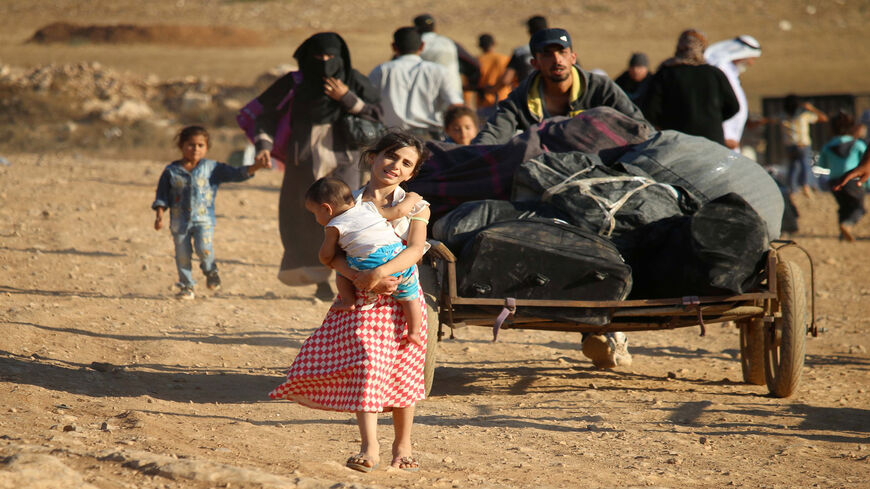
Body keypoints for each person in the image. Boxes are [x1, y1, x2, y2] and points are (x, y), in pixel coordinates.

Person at [269, 131, 431, 473]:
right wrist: (362, 279)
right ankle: (369, 447)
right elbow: (334, 256)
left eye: (406, 163)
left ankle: (403, 445)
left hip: (403, 297)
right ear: (372, 157)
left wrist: (382, 272)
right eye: (391, 156)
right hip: (364, 299)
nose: (396, 166)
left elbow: (415, 250)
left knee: (402, 372)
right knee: (368, 367)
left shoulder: (416, 206)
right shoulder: (345, 201)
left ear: (411, 173)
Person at [250, 33, 382, 300]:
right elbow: (264, 115)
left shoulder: (354, 80)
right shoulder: (294, 83)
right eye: (317, 58)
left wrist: (347, 97)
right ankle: (318, 280)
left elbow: (377, 115)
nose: (323, 63)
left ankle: (348, 279)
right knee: (307, 217)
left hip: (346, 159)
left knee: (348, 217)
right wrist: (263, 146)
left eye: (330, 58)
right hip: (304, 160)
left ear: (340, 58)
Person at [472, 28, 647, 145]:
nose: (557, 60)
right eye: (547, 55)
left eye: (562, 52)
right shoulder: (520, 98)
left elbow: (640, 128)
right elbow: (492, 137)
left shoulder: (601, 88)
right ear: (535, 63)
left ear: (573, 57)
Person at [153, 126, 270, 299]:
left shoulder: (212, 168)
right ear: (181, 145)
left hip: (204, 220)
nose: (195, 149)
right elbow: (162, 195)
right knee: (182, 255)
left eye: (200, 145)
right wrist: (159, 216)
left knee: (203, 249)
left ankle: (210, 270)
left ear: (207, 147)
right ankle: (187, 286)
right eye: (191, 145)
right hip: (179, 222)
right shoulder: (171, 171)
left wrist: (255, 167)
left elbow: (236, 173)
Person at [305, 177, 425, 346]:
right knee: (410, 297)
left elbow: (327, 256)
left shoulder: (334, 225)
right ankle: (414, 332)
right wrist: (412, 198)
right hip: (398, 259)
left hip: (369, 263)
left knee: (342, 272)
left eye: (315, 214)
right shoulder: (369, 207)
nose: (316, 219)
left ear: (327, 209)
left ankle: (348, 301)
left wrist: (324, 257)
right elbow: (398, 212)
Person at [643, 29, 740, 146]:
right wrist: (712, 119)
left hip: (676, 141)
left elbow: (650, 110)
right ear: (703, 48)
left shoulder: (665, 73)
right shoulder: (714, 74)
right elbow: (733, 106)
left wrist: (668, 123)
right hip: (712, 142)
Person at [369, 27, 464, 139]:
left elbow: (368, 102)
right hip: (429, 138)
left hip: (391, 138)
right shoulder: (438, 71)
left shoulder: (381, 70)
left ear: (394, 47)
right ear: (422, 46)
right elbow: (456, 105)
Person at [705, 35, 763, 150]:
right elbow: (715, 106)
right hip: (720, 142)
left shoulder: (731, 73)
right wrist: (724, 136)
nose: (751, 63)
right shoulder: (720, 70)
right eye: (751, 58)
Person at [817, 112, 867, 241]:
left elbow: (822, 164)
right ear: (852, 127)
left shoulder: (827, 146)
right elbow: (865, 165)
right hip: (852, 180)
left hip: (834, 181)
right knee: (859, 207)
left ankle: (842, 235)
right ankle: (848, 225)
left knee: (843, 207)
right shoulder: (857, 144)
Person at [782, 94, 829, 196]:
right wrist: (811, 108)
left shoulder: (784, 117)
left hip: (790, 146)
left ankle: (792, 188)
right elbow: (824, 118)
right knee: (805, 165)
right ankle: (806, 186)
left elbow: (768, 119)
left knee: (793, 167)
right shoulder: (804, 115)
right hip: (803, 145)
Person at [413, 14, 463, 101]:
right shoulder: (448, 43)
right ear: (434, 28)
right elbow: (473, 64)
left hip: (425, 97)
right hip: (453, 95)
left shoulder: (414, 44)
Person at [501, 15, 549, 89]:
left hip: (526, 94)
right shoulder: (558, 51)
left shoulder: (520, 52)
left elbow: (506, 79)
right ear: (547, 29)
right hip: (552, 95)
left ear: (529, 31)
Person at [476, 33, 511, 117]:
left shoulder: (477, 61)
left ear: (479, 45)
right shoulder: (505, 59)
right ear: (494, 43)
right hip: (504, 101)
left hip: (484, 103)